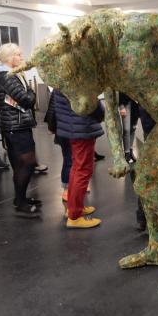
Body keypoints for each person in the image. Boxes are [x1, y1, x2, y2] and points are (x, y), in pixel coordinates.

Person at [0, 43, 42, 217]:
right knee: (28, 163)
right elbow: (27, 100)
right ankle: (21, 203)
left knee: (20, 165)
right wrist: (30, 90)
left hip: (17, 125)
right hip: (16, 126)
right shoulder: (7, 76)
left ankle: (19, 199)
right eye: (19, 55)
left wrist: (29, 92)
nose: (22, 58)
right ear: (9, 57)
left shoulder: (11, 75)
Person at [51, 89, 104, 229]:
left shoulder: (59, 79)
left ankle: (75, 208)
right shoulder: (74, 79)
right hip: (82, 127)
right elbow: (90, 103)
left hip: (75, 127)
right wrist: (101, 111)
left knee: (77, 168)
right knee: (82, 170)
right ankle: (75, 216)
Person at [119, 92, 139, 163]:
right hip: (125, 103)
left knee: (133, 129)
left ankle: (130, 151)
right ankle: (127, 153)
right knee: (126, 129)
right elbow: (119, 89)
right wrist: (121, 106)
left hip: (136, 105)